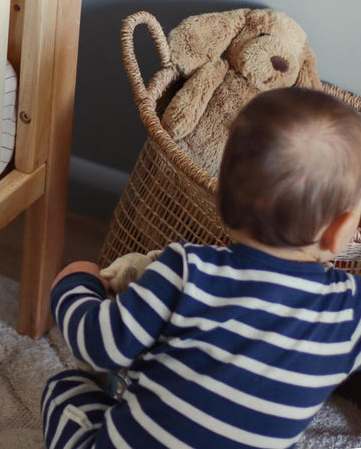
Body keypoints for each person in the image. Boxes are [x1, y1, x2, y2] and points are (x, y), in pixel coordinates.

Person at [43, 87, 361, 448]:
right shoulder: (350, 313)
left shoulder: (186, 270)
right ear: (340, 232)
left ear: (221, 197)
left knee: (65, 390)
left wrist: (76, 283)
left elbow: (99, 346)